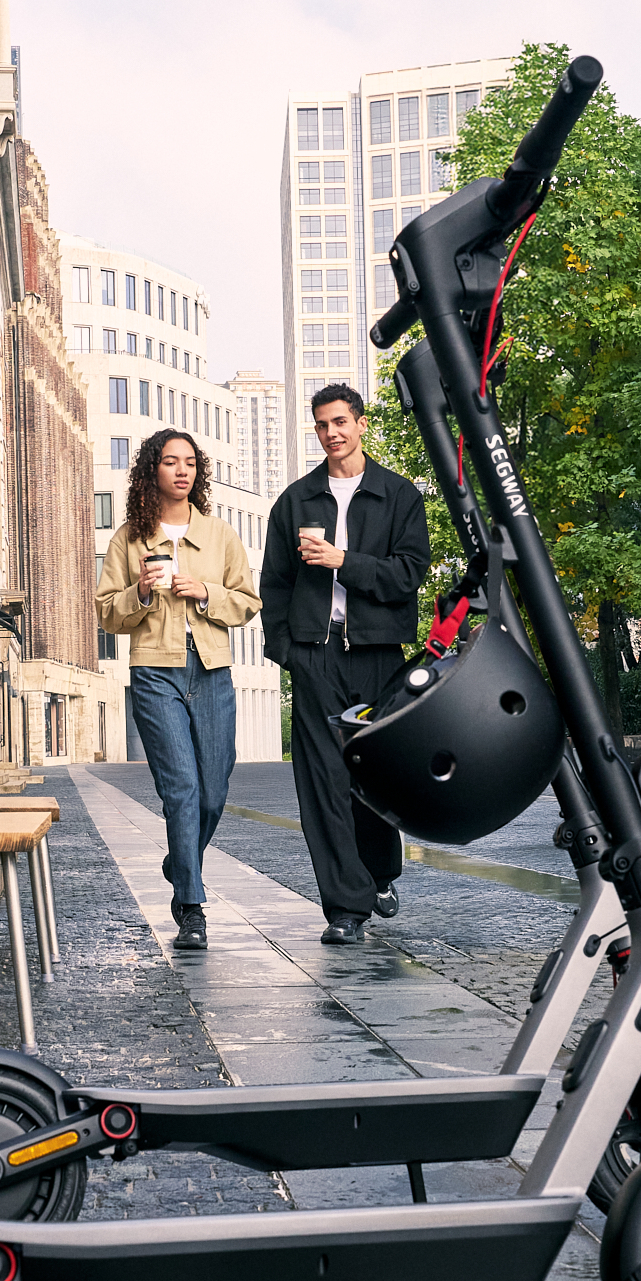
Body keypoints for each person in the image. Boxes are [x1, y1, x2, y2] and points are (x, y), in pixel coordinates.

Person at [258, 384, 430, 944]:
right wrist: (288, 652)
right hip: (316, 655)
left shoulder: (399, 496)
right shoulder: (295, 502)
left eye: (340, 422)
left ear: (360, 424)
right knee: (323, 783)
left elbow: (409, 575)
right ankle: (345, 909)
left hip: (380, 656)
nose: (331, 433)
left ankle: (380, 873)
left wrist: (344, 562)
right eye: (321, 425)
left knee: (375, 776)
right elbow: (275, 584)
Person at [95, 428, 260, 952]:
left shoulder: (219, 535)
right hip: (154, 671)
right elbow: (105, 612)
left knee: (213, 790)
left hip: (211, 669)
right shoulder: (129, 537)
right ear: (153, 471)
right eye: (171, 462)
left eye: (190, 462)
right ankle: (192, 906)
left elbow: (248, 602)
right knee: (182, 790)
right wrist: (140, 591)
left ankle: (177, 860)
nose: (182, 470)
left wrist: (206, 591)